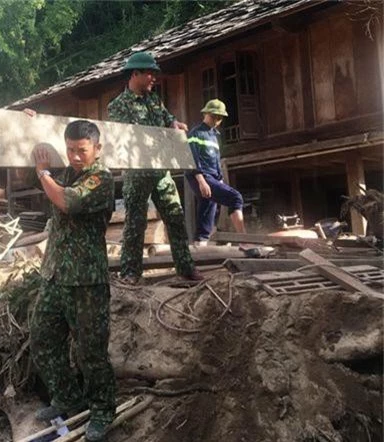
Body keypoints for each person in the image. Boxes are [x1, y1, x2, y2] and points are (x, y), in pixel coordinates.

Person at [29, 120, 116, 442]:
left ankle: (103, 410)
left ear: (96, 148)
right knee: (42, 338)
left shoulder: (101, 179)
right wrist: (32, 123)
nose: (75, 156)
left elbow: (67, 201)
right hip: (54, 275)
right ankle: (67, 397)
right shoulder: (68, 173)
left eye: (82, 150)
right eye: (70, 150)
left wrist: (43, 173)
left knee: (91, 352)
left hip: (85, 281)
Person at [108, 51, 203, 284]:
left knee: (175, 218)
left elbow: (167, 117)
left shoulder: (154, 100)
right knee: (135, 223)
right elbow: (122, 140)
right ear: (135, 73)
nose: (153, 78)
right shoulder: (118, 106)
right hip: (138, 173)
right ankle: (130, 273)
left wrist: (174, 123)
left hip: (161, 171)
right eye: (149, 73)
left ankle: (186, 268)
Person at [185, 99, 260, 257]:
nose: (217, 120)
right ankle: (243, 240)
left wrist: (219, 179)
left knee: (208, 204)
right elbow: (192, 158)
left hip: (212, 176)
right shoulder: (195, 133)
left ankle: (200, 243)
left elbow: (216, 160)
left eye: (219, 118)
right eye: (214, 116)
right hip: (199, 175)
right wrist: (201, 181)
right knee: (235, 198)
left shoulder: (214, 136)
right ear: (206, 114)